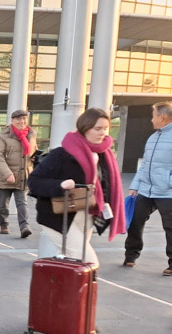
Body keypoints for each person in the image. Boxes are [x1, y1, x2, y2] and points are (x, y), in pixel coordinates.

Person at [28, 107, 126, 267]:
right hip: (59, 217)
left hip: (87, 215)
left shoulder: (104, 154)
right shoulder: (62, 154)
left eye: (105, 128)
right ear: (85, 128)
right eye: (97, 129)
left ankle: (59, 285)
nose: (103, 133)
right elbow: (34, 182)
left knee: (71, 264)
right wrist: (60, 185)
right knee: (89, 263)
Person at [123, 101, 172, 276]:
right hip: (146, 190)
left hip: (170, 192)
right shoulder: (154, 137)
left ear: (162, 117)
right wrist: (135, 185)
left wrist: (170, 182)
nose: (151, 120)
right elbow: (145, 165)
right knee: (135, 221)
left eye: (153, 116)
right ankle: (131, 255)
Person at [0, 109, 36, 238]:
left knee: (22, 203)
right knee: (2, 205)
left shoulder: (31, 134)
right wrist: (7, 173)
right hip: (6, 175)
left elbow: (32, 151)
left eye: (24, 119)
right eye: (18, 119)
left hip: (23, 175)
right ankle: (4, 224)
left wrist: (34, 158)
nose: (22, 121)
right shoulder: (3, 136)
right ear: (12, 120)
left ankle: (24, 227)